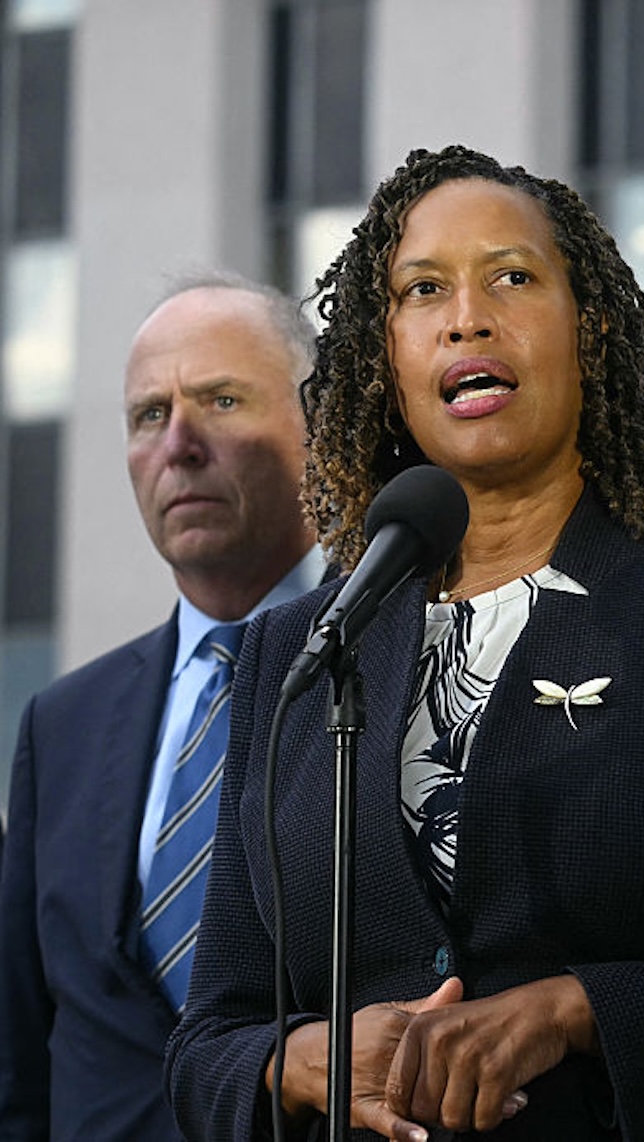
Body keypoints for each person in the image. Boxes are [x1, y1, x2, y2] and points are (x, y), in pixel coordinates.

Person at [165, 145, 644, 1141]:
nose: (466, 318)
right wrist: (297, 1061)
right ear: (385, 356)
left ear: (592, 326)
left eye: (512, 277)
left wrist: (582, 1012)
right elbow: (207, 1043)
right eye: (423, 290)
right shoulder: (303, 647)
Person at [0, 273, 322, 1141]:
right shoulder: (60, 727)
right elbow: (20, 1061)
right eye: (150, 414)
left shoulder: (401, 663)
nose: (179, 443)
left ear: (317, 427)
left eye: (222, 401)